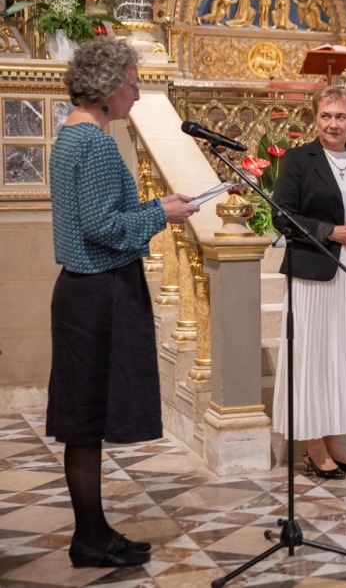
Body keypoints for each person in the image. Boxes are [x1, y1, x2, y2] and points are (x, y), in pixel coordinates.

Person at [48, 38, 199, 567]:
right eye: (133, 85)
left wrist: (156, 205)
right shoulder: (93, 142)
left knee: (85, 421)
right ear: (108, 87)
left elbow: (102, 215)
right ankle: (89, 538)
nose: (136, 94)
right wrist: (162, 215)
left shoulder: (72, 135)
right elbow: (102, 227)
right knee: (86, 420)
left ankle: (93, 532)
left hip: (85, 291)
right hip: (97, 293)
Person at [270, 86, 346, 479]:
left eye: (340, 116)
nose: (333, 124)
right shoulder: (299, 159)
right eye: (325, 116)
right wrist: (330, 231)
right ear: (315, 118)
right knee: (314, 359)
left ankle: (335, 443)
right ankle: (314, 448)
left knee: (342, 357)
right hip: (313, 272)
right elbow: (282, 215)